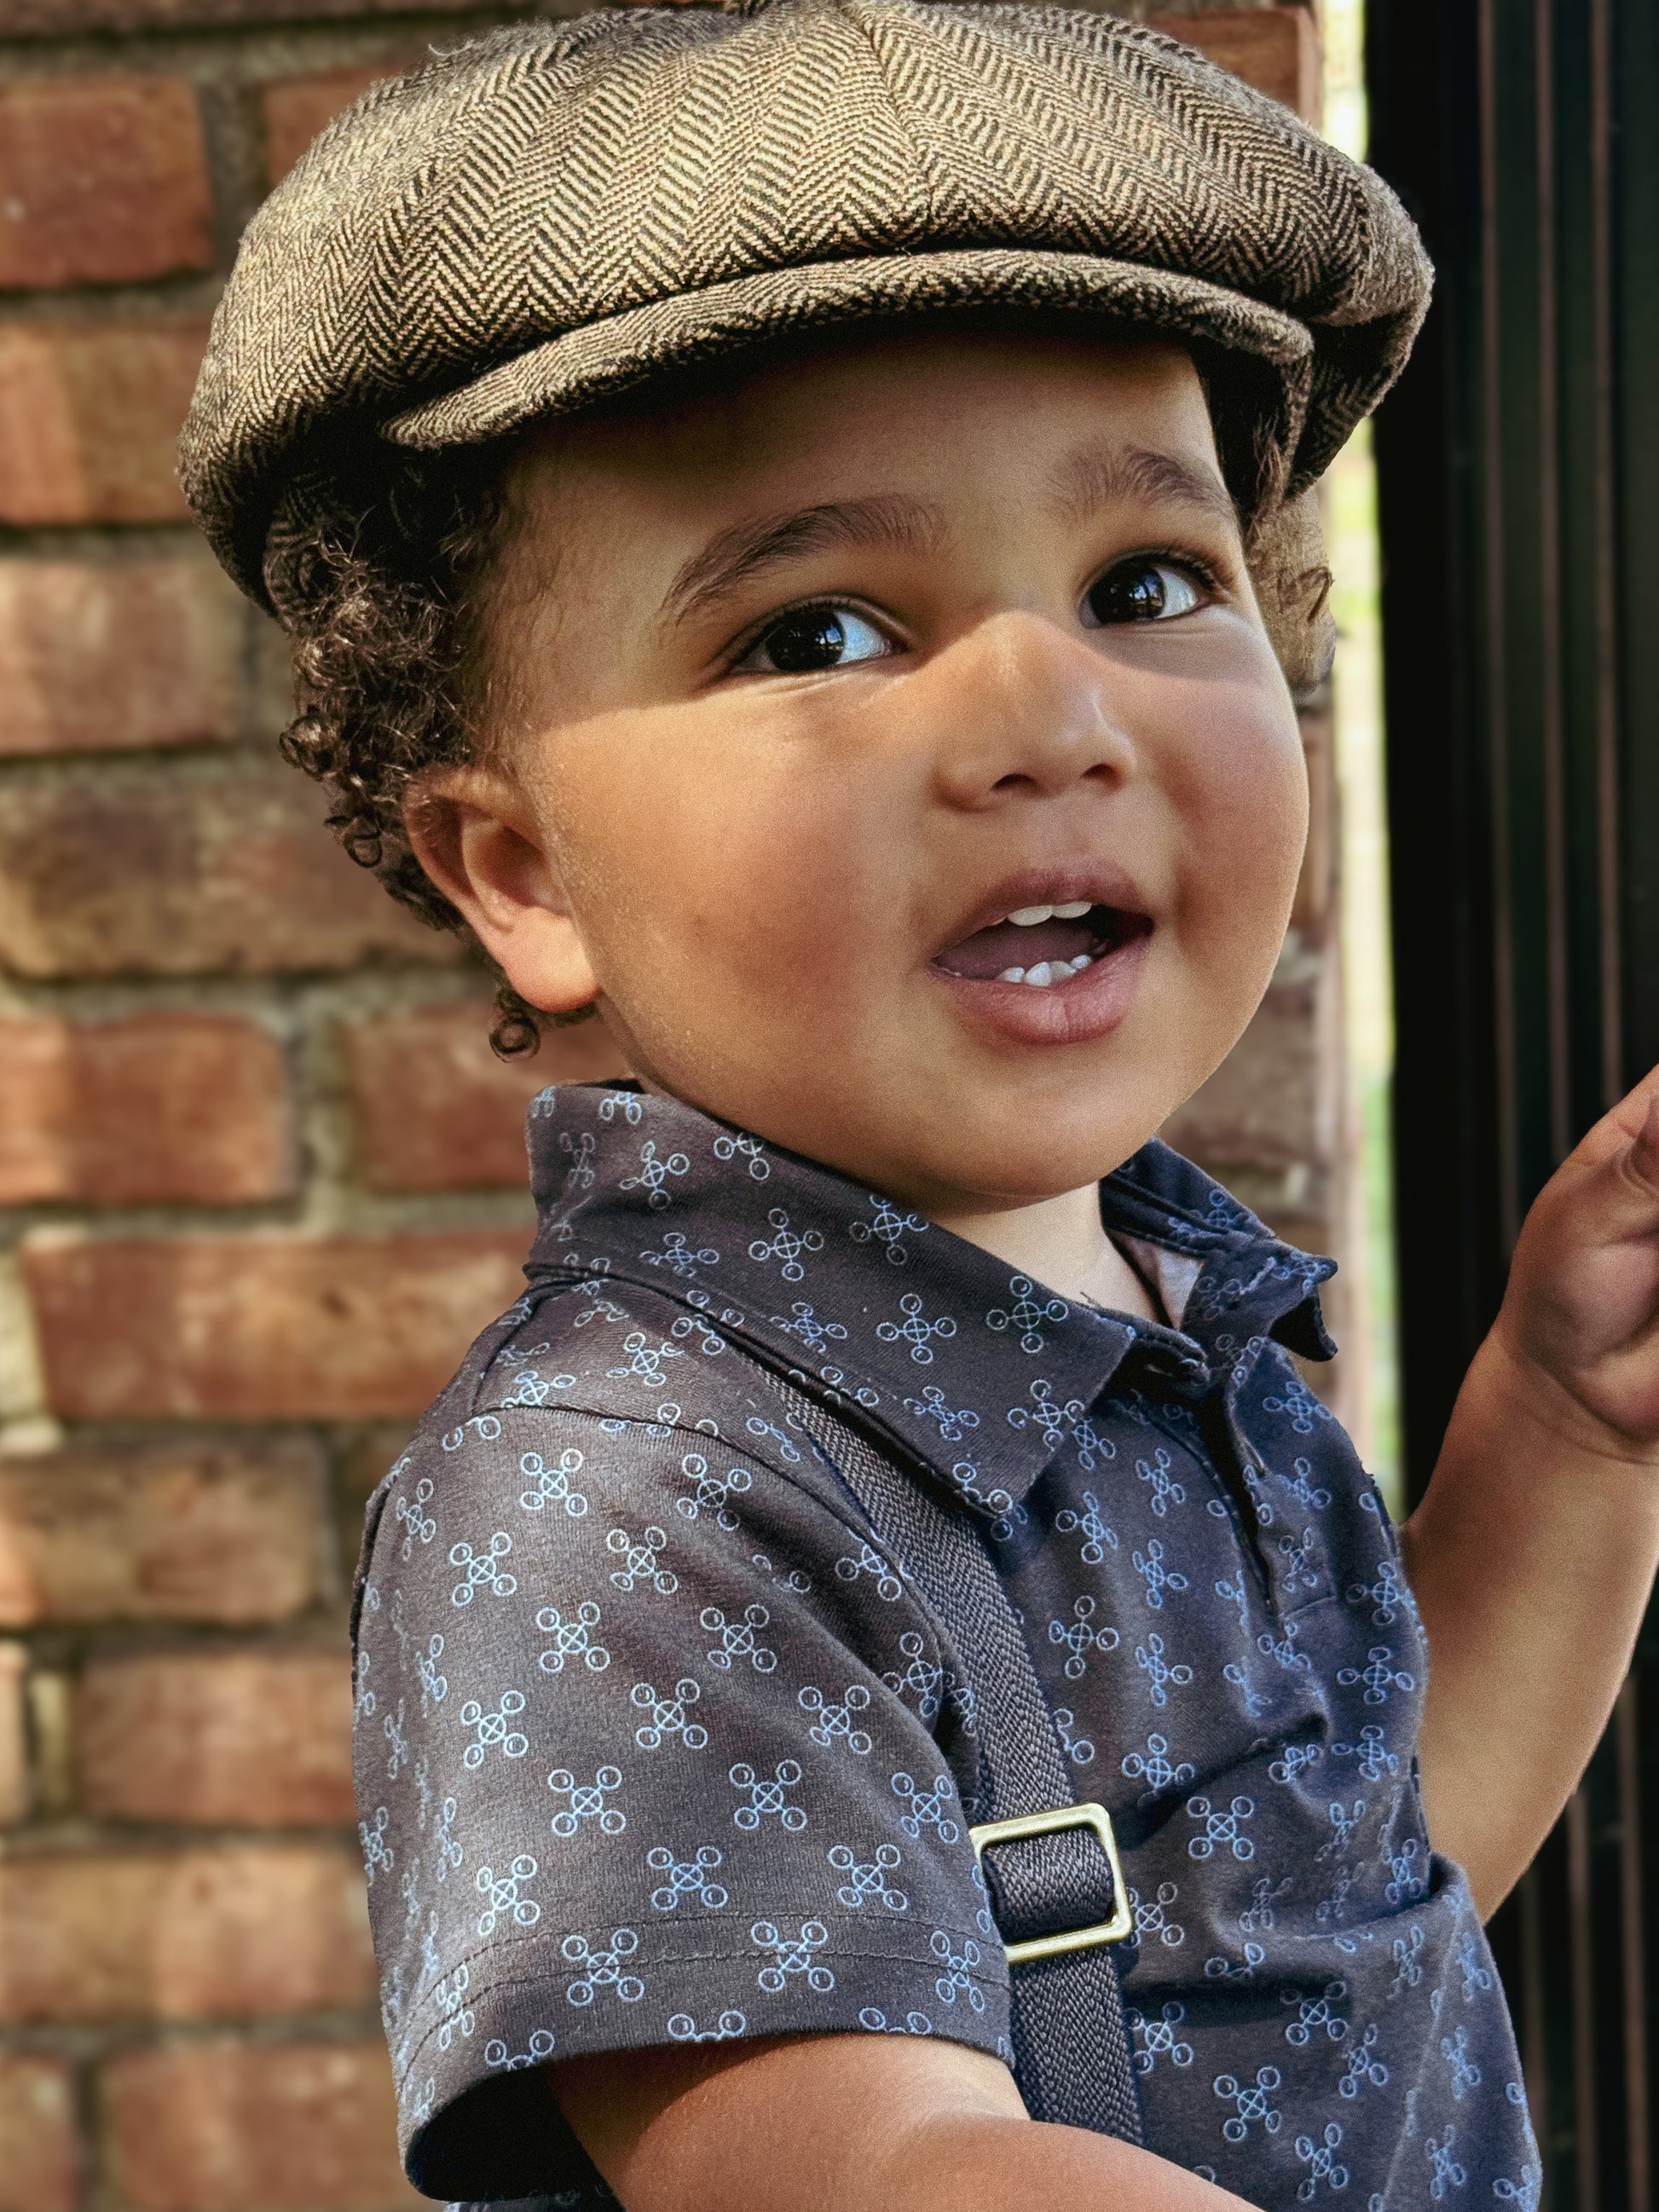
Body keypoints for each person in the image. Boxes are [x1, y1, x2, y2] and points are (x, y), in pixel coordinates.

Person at [178, 7, 1659, 2208]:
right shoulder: (618, 1507)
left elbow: (1362, 1893)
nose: (1044, 707)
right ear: (519, 870)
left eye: (1144, 584)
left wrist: (1561, 1422)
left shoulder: (1166, 1326)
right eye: (821, 631)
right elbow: (867, 2159)